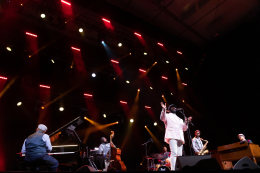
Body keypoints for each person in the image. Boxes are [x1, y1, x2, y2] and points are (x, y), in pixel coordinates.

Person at [160, 102, 192, 171]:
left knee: (180, 155)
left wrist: (186, 123)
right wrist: (163, 109)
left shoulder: (179, 119)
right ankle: (173, 169)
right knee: (174, 153)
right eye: (172, 107)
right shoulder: (167, 115)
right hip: (172, 136)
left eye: (175, 107)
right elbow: (162, 118)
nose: (174, 108)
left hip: (180, 138)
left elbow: (184, 129)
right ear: (170, 109)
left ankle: (180, 169)